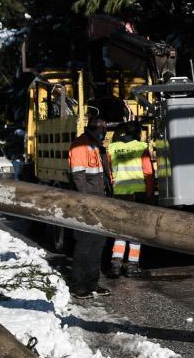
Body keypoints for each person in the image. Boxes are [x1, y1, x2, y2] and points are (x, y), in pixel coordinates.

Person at [67, 117, 113, 299]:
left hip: (99, 202)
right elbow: (79, 178)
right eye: (103, 131)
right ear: (96, 129)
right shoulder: (80, 146)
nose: (105, 134)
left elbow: (103, 175)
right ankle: (78, 285)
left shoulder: (96, 146)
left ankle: (92, 282)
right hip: (87, 204)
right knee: (84, 244)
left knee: (97, 244)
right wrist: (86, 203)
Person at [107, 122, 156, 278]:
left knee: (121, 229)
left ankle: (116, 264)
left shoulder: (113, 148)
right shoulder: (141, 147)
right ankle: (132, 265)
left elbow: (109, 171)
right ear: (137, 133)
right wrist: (149, 192)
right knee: (136, 230)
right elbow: (148, 171)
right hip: (138, 194)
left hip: (120, 193)